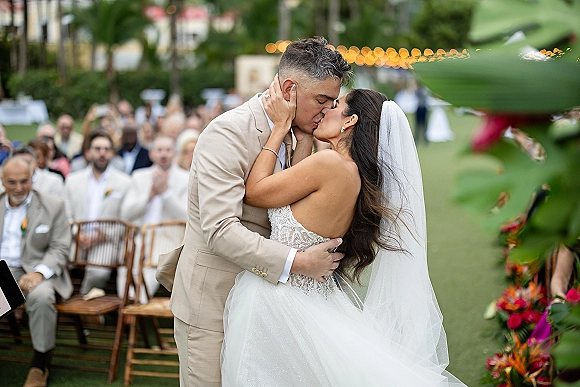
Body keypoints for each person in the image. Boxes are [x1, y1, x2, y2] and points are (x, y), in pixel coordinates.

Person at [220, 82, 467, 386]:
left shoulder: (330, 163)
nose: (326, 110)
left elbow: (256, 193)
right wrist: (306, 136)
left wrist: (280, 127)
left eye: (335, 106)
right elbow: (293, 194)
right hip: (307, 300)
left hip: (277, 302)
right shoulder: (351, 174)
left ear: (350, 121)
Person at [158, 37, 351, 386]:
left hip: (269, 308)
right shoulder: (227, 133)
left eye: (332, 102)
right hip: (213, 301)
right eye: (321, 100)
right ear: (290, 89)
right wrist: (300, 262)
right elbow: (220, 230)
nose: (326, 110)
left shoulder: (306, 134)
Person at [1, 157, 72, 387]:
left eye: (24, 181)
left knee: (41, 298)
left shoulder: (53, 205)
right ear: (2, 181)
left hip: (38, 268)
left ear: (32, 179)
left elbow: (60, 247)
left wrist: (39, 274)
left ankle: (40, 363)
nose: (19, 188)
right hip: (4, 270)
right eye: (12, 182)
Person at [120, 135, 189, 302]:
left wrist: (165, 193)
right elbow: (125, 214)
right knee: (127, 268)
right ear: (151, 154)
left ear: (174, 154)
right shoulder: (139, 176)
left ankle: (137, 306)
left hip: (169, 238)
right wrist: (149, 196)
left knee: (149, 271)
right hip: (140, 235)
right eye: (159, 150)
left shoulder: (185, 178)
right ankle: (128, 304)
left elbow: (187, 216)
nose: (163, 154)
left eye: (167, 150)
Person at [64, 131, 131, 293]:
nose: (102, 153)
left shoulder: (125, 183)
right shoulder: (72, 180)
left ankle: (83, 307)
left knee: (97, 272)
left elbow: (126, 219)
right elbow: (66, 214)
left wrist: (103, 235)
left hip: (106, 240)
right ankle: (66, 303)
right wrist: (77, 233)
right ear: (88, 153)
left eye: (106, 149)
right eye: (97, 148)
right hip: (76, 238)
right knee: (58, 263)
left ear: (112, 154)